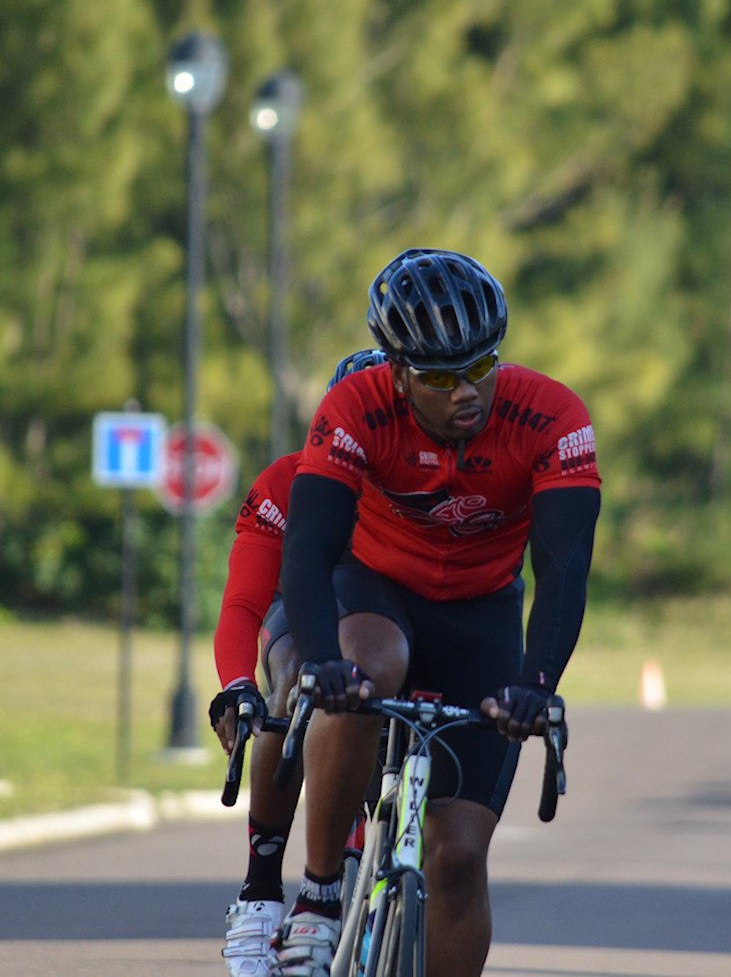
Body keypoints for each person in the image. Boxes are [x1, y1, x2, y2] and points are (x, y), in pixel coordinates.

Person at [271, 249, 601, 977]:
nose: (466, 393)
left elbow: (564, 570)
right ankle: (320, 897)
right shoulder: (357, 407)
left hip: (482, 616)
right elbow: (309, 545)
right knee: (366, 670)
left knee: (457, 857)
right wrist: (323, 662)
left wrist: (536, 685)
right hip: (377, 589)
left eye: (481, 368)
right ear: (396, 371)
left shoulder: (550, 417)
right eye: (441, 377)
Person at [206, 348, 389, 977]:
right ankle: (259, 895)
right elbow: (244, 603)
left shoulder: (426, 480)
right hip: (303, 604)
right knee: (291, 681)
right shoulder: (288, 480)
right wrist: (235, 685)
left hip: (387, 613)